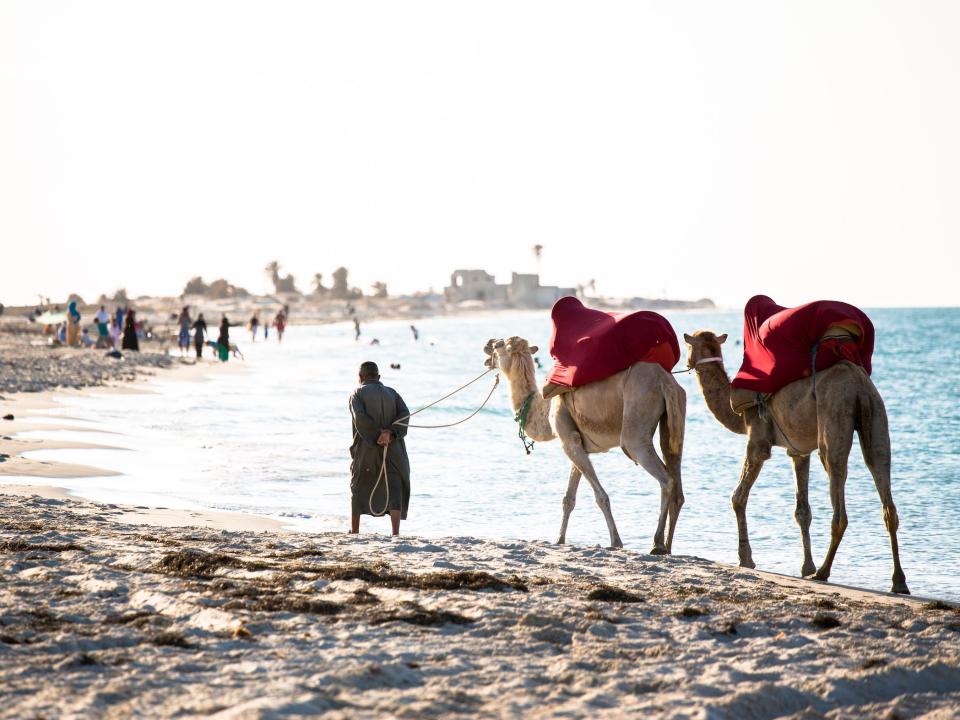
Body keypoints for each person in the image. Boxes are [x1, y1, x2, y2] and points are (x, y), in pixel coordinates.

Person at [349, 361, 411, 536]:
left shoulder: (357, 393)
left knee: (359, 485)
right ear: (379, 377)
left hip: (366, 449)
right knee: (395, 486)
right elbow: (405, 415)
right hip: (394, 449)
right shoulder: (393, 393)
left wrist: (378, 436)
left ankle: (355, 531)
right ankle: (395, 533)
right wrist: (390, 434)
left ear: (360, 377)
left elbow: (360, 418)